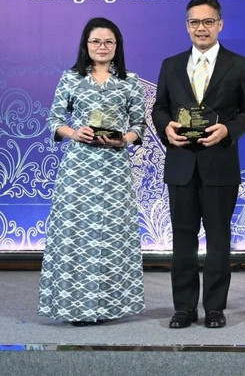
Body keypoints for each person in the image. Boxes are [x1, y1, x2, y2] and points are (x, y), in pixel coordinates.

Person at [152, 0, 245, 329]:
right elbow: (160, 108)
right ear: (187, 26)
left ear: (220, 24)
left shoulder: (239, 64)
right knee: (183, 239)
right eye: (195, 22)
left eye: (208, 22)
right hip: (181, 164)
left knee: (218, 238)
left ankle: (215, 306)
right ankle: (184, 307)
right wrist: (165, 127)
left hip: (220, 164)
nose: (201, 28)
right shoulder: (171, 65)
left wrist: (228, 129)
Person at [39, 17, 146, 326]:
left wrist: (123, 138)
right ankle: (75, 308)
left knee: (111, 235)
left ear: (117, 47)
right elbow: (54, 120)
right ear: (86, 46)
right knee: (76, 234)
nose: (102, 47)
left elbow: (139, 124)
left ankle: (110, 307)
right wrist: (74, 132)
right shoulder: (70, 78)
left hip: (114, 168)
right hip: (78, 170)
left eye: (108, 42)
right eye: (96, 42)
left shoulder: (130, 81)